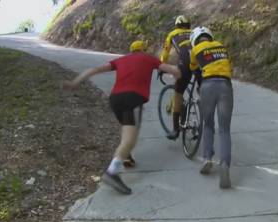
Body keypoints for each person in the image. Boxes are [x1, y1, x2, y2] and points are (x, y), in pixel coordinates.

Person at [62, 40, 181, 195]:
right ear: (144, 50)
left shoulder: (121, 60)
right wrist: (179, 73)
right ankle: (112, 172)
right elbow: (173, 70)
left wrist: (74, 82)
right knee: (129, 140)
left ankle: (126, 156)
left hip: (115, 99)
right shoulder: (149, 59)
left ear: (131, 51)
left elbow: (95, 70)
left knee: (126, 128)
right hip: (134, 99)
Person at [189, 26, 234, 189]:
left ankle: (207, 158)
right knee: (225, 129)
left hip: (207, 85)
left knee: (208, 124)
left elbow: (193, 68)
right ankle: (225, 165)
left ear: (195, 39)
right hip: (225, 86)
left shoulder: (196, 49)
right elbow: (230, 67)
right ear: (210, 36)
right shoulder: (222, 47)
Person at [160, 15, 200, 140]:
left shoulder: (172, 34)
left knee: (178, 94)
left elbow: (165, 53)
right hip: (200, 61)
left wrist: (162, 67)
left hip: (185, 63)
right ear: (188, 25)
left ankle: (175, 130)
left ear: (177, 26)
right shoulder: (194, 33)